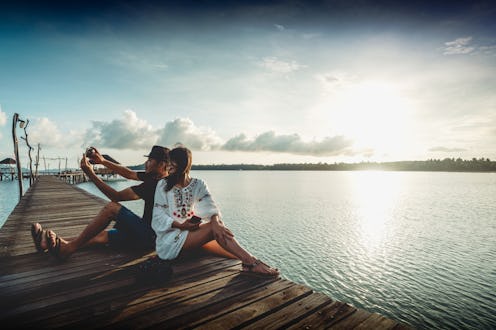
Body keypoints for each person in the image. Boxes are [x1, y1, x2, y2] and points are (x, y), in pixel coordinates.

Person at [152, 146, 280, 277]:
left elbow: (210, 206)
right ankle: (252, 263)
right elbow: (158, 216)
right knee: (217, 231)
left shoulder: (198, 184)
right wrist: (181, 225)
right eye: (167, 162)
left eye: (171, 161)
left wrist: (216, 222)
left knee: (230, 248)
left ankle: (250, 261)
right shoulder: (163, 184)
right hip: (170, 240)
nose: (167, 165)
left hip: (190, 234)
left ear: (183, 163)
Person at [32, 145, 170, 260]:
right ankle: (48, 244)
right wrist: (102, 160)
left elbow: (115, 196)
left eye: (150, 160)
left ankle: (67, 249)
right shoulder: (159, 177)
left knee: (111, 208)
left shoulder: (155, 185)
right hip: (150, 234)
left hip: (150, 237)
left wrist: (91, 174)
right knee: (101, 236)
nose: (147, 163)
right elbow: (129, 174)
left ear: (162, 165)